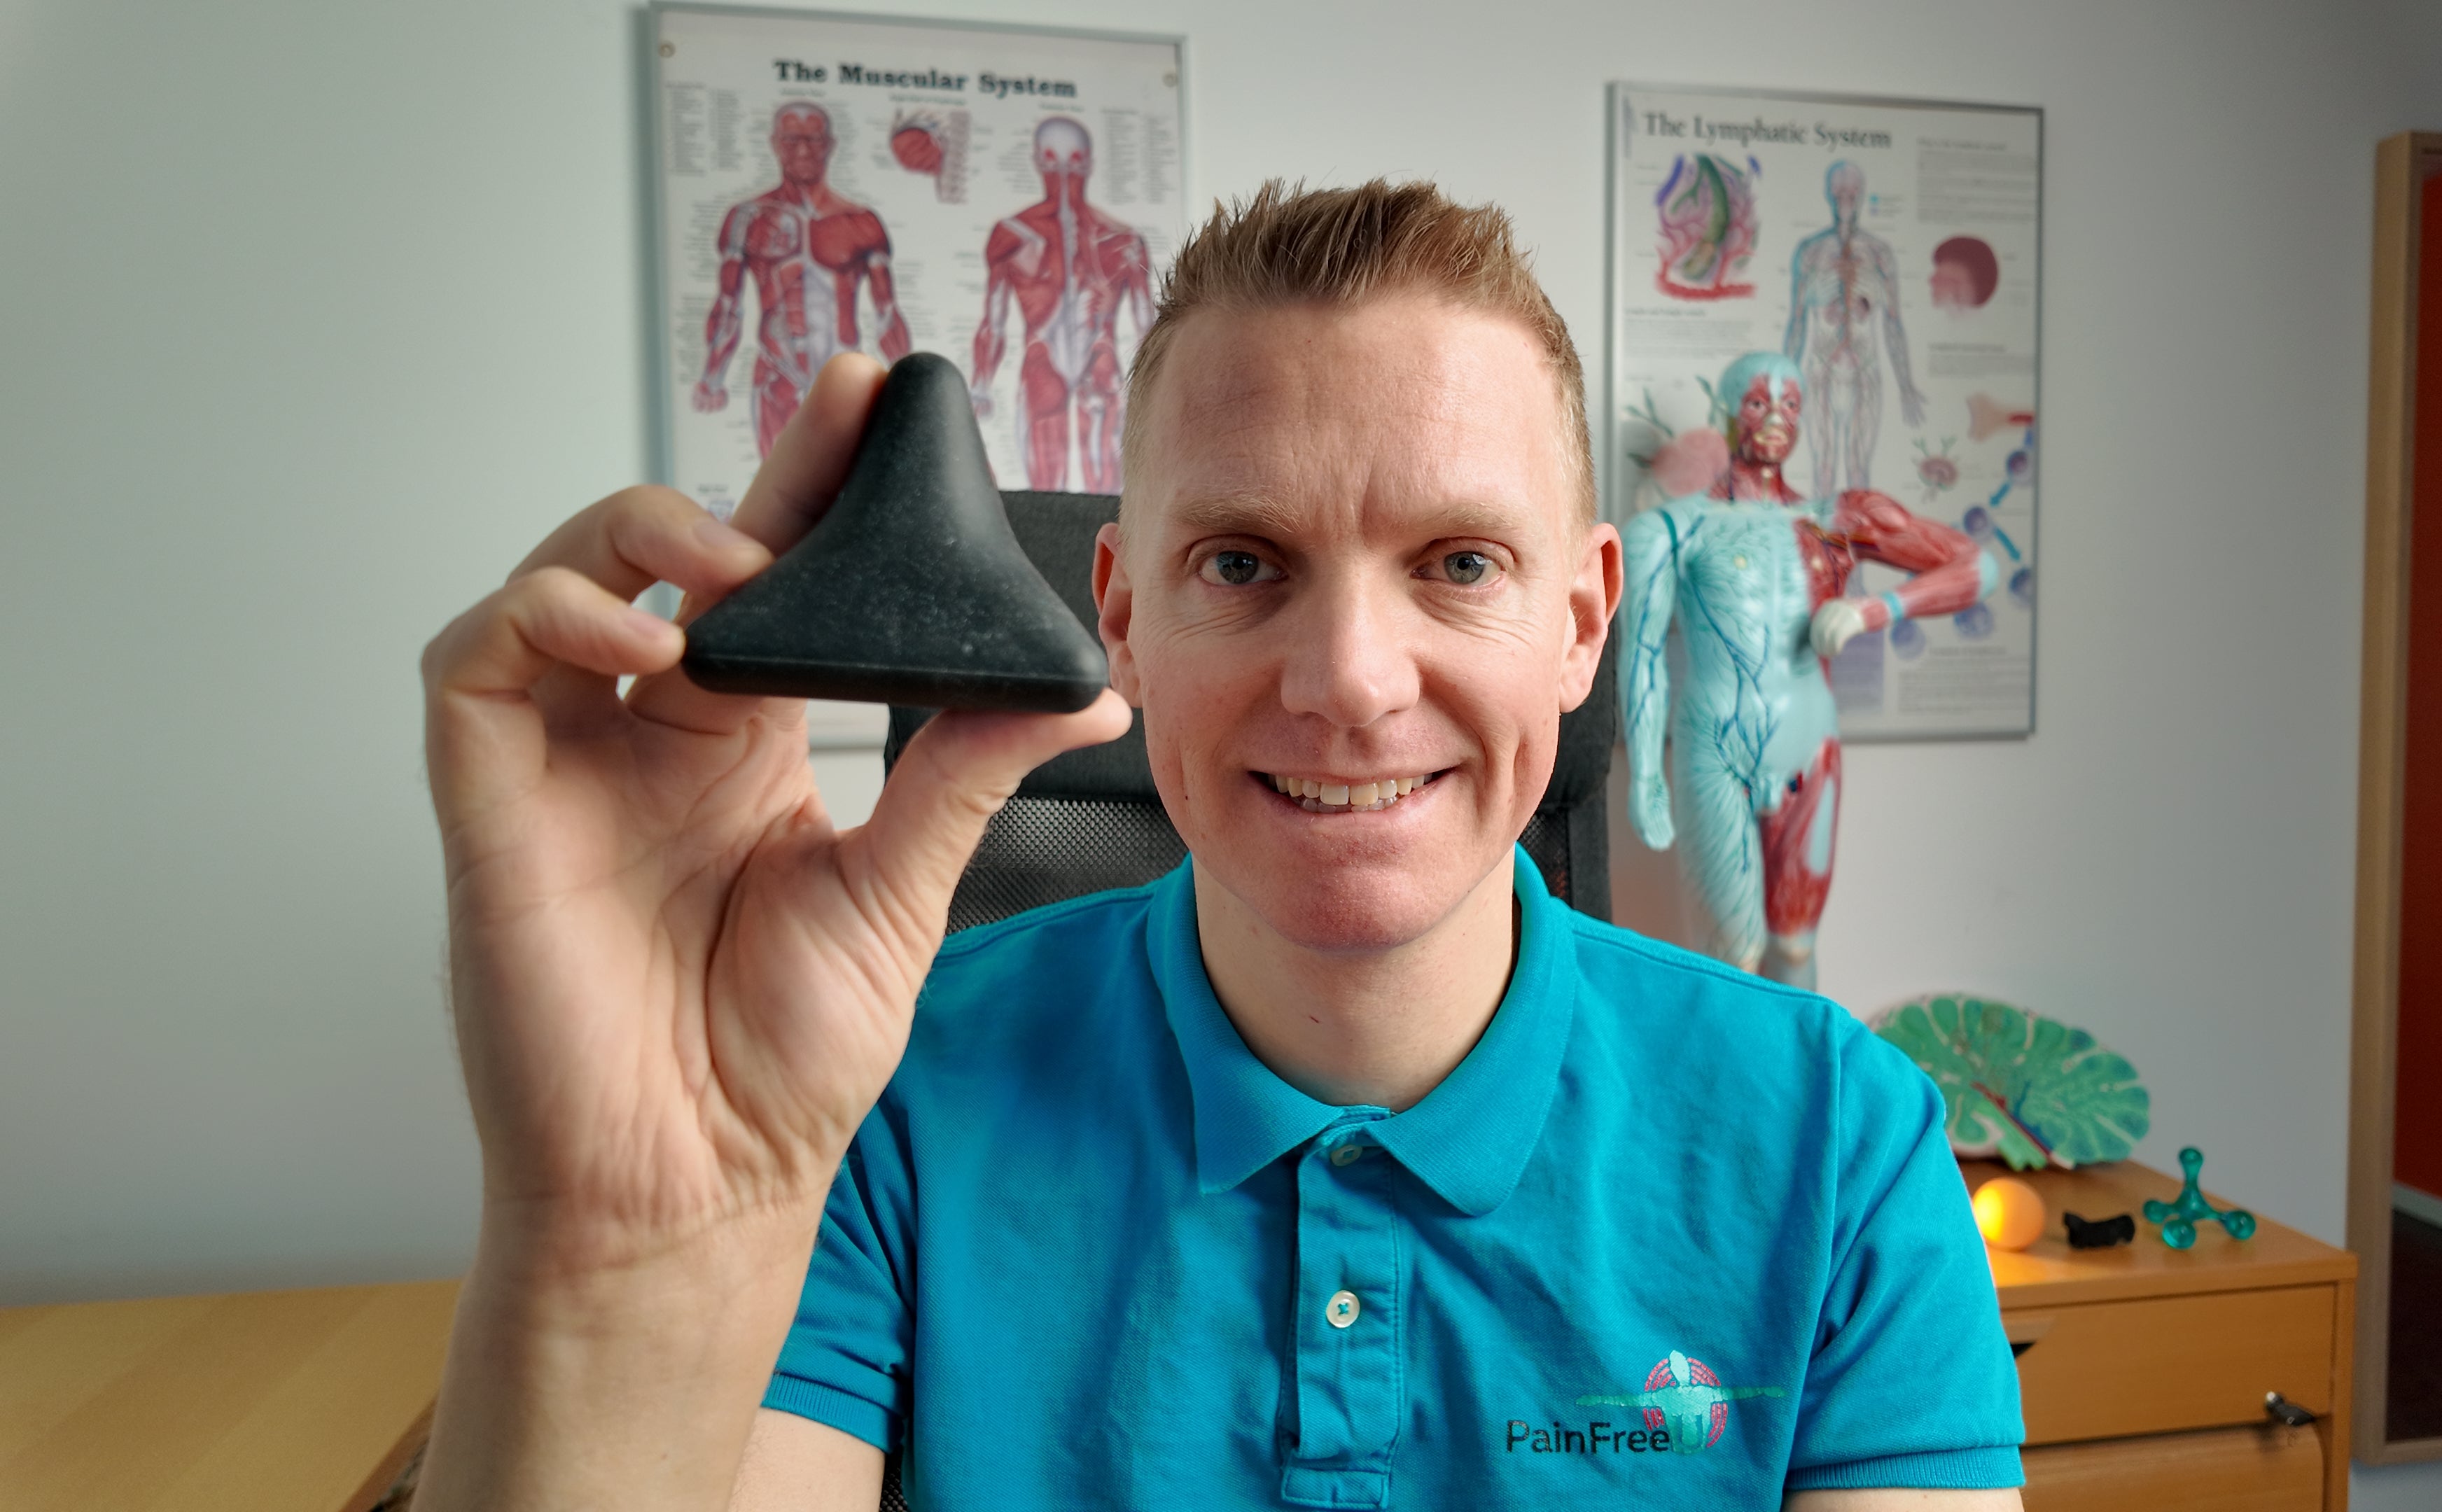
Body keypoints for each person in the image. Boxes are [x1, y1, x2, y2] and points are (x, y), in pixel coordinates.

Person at [413, 181, 2022, 1510]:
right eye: (1244, 562)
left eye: (1458, 562)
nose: (1348, 680)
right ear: (1120, 616)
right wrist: (610, 1238)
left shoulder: (1838, 1145)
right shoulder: (868, 1093)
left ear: (1583, 622)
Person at [1621, 351, 1998, 990]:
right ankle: (1732, 1060)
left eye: (1790, 404)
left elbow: (1976, 568)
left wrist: (1876, 610)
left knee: (1795, 948)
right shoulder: (1672, 529)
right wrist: (1644, 775)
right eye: (1758, 403)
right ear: (1728, 412)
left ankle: (1799, 1060)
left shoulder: (1836, 520)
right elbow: (1643, 652)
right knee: (1731, 953)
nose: (1776, 418)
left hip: (1811, 745)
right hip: (1715, 747)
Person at [695, 102, 913, 458]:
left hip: (845, 385)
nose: (802, 151)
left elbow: (887, 313)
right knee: (776, 490)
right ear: (775, 144)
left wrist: (913, 391)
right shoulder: (746, 219)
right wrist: (712, 378)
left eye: (813, 140)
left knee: (846, 489)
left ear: (830, 145)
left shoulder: (862, 222)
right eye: (792, 140)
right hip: (777, 375)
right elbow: (728, 306)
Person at [969, 117, 1157, 493]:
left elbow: (1148, 327)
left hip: (1097, 358)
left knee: (1107, 492)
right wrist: (981, 386)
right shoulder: (1012, 236)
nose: (1065, 176)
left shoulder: (1123, 240)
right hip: (1045, 358)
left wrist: (1157, 394)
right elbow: (994, 321)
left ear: (1088, 164)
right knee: (1044, 490)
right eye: (1054, 162)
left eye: (1074, 162)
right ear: (1039, 162)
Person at [1785, 161, 1924, 496]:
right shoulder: (1811, 251)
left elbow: (1893, 321)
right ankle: (1821, 531)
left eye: (1851, 192)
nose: (1845, 199)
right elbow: (1797, 319)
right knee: (1823, 465)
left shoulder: (1879, 253)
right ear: (1828, 194)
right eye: (1838, 191)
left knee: (1859, 466)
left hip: (1865, 366)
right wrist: (1783, 383)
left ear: (1861, 195)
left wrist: (1905, 384)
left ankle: (1856, 532)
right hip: (1821, 365)